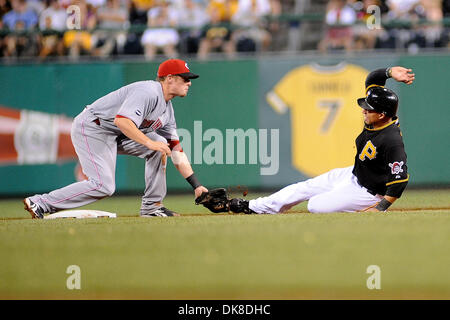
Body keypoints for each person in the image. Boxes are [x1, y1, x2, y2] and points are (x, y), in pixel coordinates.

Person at [23, 59, 208, 218]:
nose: (189, 83)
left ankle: (152, 207)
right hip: (93, 127)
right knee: (104, 186)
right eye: (185, 78)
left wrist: (197, 186)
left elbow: (177, 151)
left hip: (116, 134)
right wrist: (150, 142)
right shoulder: (149, 91)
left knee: (160, 148)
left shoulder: (167, 111)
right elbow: (122, 121)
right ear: (169, 78)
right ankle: (40, 203)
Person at [228, 66, 415, 214]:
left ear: (382, 114)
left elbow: (399, 180)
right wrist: (390, 72)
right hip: (353, 174)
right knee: (303, 188)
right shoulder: (378, 118)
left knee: (315, 205)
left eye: (369, 108)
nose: (364, 110)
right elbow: (373, 80)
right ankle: (253, 206)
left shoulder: (391, 139)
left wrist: (380, 207)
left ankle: (358, 210)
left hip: (368, 193)